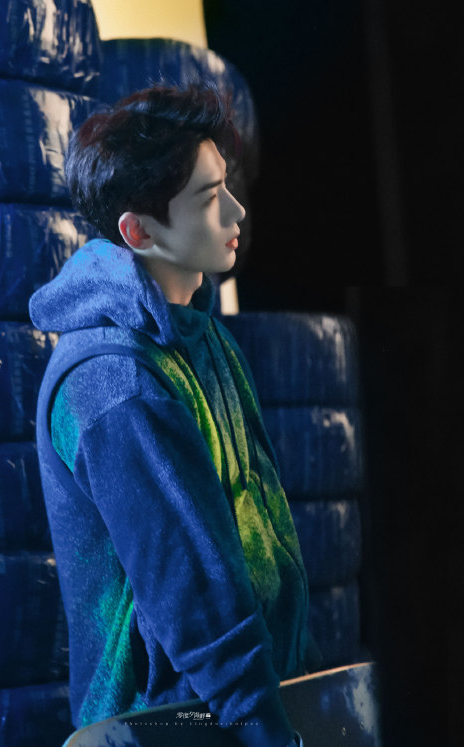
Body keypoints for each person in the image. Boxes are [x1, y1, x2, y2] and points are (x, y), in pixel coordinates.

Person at [30, 85, 316, 746]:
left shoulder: (201, 335)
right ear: (141, 231)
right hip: (164, 726)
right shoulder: (114, 385)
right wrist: (269, 735)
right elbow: (198, 603)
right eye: (210, 197)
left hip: (237, 711)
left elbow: (264, 532)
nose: (236, 209)